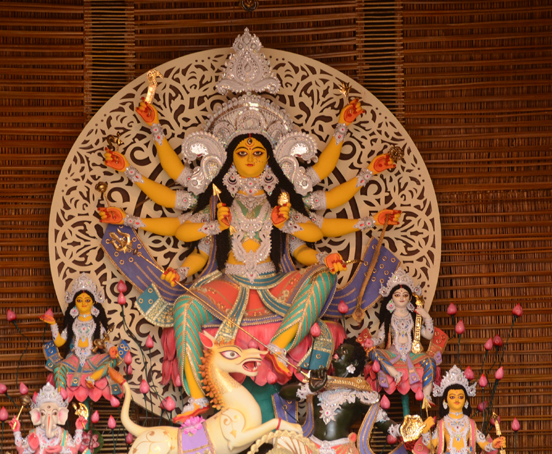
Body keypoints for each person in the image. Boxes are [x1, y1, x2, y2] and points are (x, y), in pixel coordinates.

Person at [99, 29, 400, 420]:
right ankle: (197, 397)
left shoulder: (282, 200)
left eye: (259, 150)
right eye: (242, 150)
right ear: (229, 159)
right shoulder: (217, 200)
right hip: (228, 286)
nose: (251, 155)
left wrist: (313, 250)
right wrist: (187, 261)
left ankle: (279, 345)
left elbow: (307, 243)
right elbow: (189, 239)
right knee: (186, 307)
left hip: (275, 287)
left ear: (271, 158)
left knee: (323, 279)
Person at [275, 338, 418, 454]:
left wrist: (403, 429)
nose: (336, 353)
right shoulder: (321, 384)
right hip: (312, 449)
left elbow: (382, 421)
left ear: (353, 363)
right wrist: (311, 387)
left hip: (341, 453)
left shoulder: (360, 393)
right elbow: (284, 393)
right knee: (282, 440)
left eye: (343, 352)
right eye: (338, 350)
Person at [412, 365, 504, 454]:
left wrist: (493, 444)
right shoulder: (442, 423)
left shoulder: (470, 423)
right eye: (452, 396)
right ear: (445, 401)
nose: (457, 399)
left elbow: (483, 443)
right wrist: (425, 431)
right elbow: (431, 446)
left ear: (466, 401)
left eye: (460, 397)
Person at [365, 269, 439, 413]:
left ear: (410, 298)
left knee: (430, 362)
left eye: (405, 295)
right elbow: (380, 338)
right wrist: (372, 342)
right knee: (374, 353)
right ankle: (394, 373)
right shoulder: (389, 318)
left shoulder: (414, 317)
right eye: (397, 295)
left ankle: (427, 396)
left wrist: (426, 317)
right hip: (393, 354)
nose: (401, 298)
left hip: (412, 354)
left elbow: (429, 335)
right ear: (391, 298)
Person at [40, 273, 121, 402]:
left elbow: (105, 341)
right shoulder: (72, 324)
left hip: (93, 359)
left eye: (87, 300)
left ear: (93, 303)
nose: (83, 303)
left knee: (116, 358)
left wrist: (111, 348)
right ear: (74, 304)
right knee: (58, 368)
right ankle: (59, 402)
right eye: (79, 300)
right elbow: (59, 342)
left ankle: (93, 377)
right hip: (74, 359)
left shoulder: (96, 324)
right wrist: (53, 325)